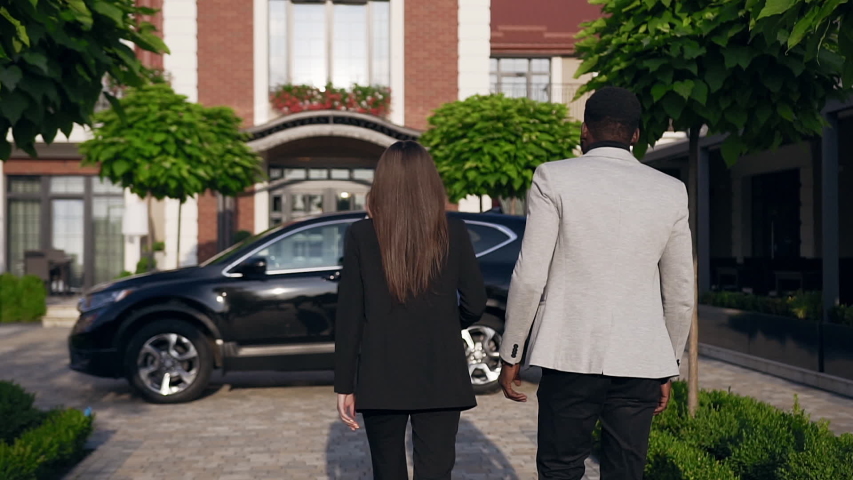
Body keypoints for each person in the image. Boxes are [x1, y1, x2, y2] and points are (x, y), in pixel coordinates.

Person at [497, 87, 695, 480]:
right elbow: (680, 292)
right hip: (640, 358)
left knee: (559, 468)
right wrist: (668, 366)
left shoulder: (553, 177)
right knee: (626, 471)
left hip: (568, 353)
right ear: (636, 135)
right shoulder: (670, 190)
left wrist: (512, 351)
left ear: (585, 130)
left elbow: (530, 273)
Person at [334, 140, 487, 480]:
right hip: (440, 370)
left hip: (380, 373)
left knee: (387, 471)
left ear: (383, 181)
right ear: (429, 181)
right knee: (436, 472)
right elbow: (476, 302)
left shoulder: (361, 234)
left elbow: (349, 317)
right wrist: (448, 324)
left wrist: (345, 383)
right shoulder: (454, 231)